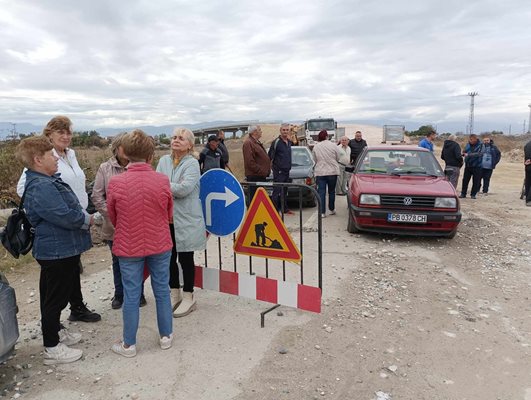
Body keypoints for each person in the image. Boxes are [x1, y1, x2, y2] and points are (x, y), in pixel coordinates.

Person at [16, 136, 92, 365]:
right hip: (56, 250)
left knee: (57, 293)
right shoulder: (41, 186)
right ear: (38, 160)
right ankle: (52, 347)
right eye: (52, 155)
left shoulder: (46, 180)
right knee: (54, 298)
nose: (56, 158)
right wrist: (88, 219)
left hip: (62, 248)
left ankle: (56, 333)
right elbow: (64, 215)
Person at [16, 116, 100, 323]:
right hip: (59, 223)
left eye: (68, 132)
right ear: (49, 135)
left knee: (73, 265)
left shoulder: (70, 155)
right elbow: (23, 189)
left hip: (76, 219)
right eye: (60, 132)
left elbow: (78, 183)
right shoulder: (43, 157)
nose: (66, 136)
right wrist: (53, 208)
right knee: (60, 272)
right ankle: (54, 327)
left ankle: (77, 307)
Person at [107, 129, 173, 357]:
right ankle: (166, 336)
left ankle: (129, 344)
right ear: (151, 155)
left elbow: (113, 216)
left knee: (131, 293)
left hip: (128, 245)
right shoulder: (163, 180)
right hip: (160, 242)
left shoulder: (116, 183)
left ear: (123, 152)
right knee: (162, 289)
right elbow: (168, 213)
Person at [91, 133, 147, 310]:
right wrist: (114, 214)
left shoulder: (140, 167)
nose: (127, 150)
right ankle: (119, 294)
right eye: (124, 146)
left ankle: (139, 294)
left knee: (138, 260)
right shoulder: (105, 168)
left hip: (137, 225)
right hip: (114, 225)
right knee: (117, 261)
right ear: (116, 148)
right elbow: (97, 195)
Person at [156, 128, 207, 318]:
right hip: (166, 219)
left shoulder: (192, 163)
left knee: (186, 258)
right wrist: (165, 186)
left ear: (190, 144)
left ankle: (188, 296)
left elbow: (184, 189)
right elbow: (162, 186)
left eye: (181, 138)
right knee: (168, 258)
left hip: (185, 219)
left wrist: (162, 185)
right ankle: (174, 292)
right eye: (174, 137)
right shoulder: (163, 161)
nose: (176, 140)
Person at [312, 130, 341, 218]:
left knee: (322, 192)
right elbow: (338, 157)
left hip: (320, 172)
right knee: (332, 191)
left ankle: (322, 212)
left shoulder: (316, 147)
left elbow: (315, 159)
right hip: (332, 171)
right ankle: (332, 209)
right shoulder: (333, 145)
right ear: (327, 136)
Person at [268, 123, 293, 214]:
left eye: (287, 130)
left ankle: (284, 209)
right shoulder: (276, 142)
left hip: (287, 171)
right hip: (278, 171)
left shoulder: (289, 142)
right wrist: (273, 168)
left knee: (284, 191)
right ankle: (274, 211)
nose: (285, 132)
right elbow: (270, 156)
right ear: (280, 130)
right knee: (277, 191)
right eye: (284, 130)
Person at [242, 125, 271, 203]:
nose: (261, 132)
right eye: (259, 130)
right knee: (254, 201)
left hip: (260, 176)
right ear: (254, 132)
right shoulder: (248, 143)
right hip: (255, 177)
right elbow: (250, 162)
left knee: (260, 201)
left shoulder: (255, 142)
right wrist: (261, 170)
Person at [460, 134, 483, 199]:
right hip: (468, 165)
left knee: (476, 181)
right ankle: (463, 193)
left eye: (471, 139)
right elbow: (465, 150)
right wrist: (463, 153)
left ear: (475, 139)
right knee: (465, 180)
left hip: (477, 165)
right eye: (469, 139)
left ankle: (473, 194)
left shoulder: (481, 145)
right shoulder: (468, 144)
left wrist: (469, 155)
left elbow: (480, 154)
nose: (470, 141)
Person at [524, 139, 531, 206]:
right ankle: (529, 199)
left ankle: (527, 198)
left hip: (527, 166)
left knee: (528, 182)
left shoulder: (527, 144)